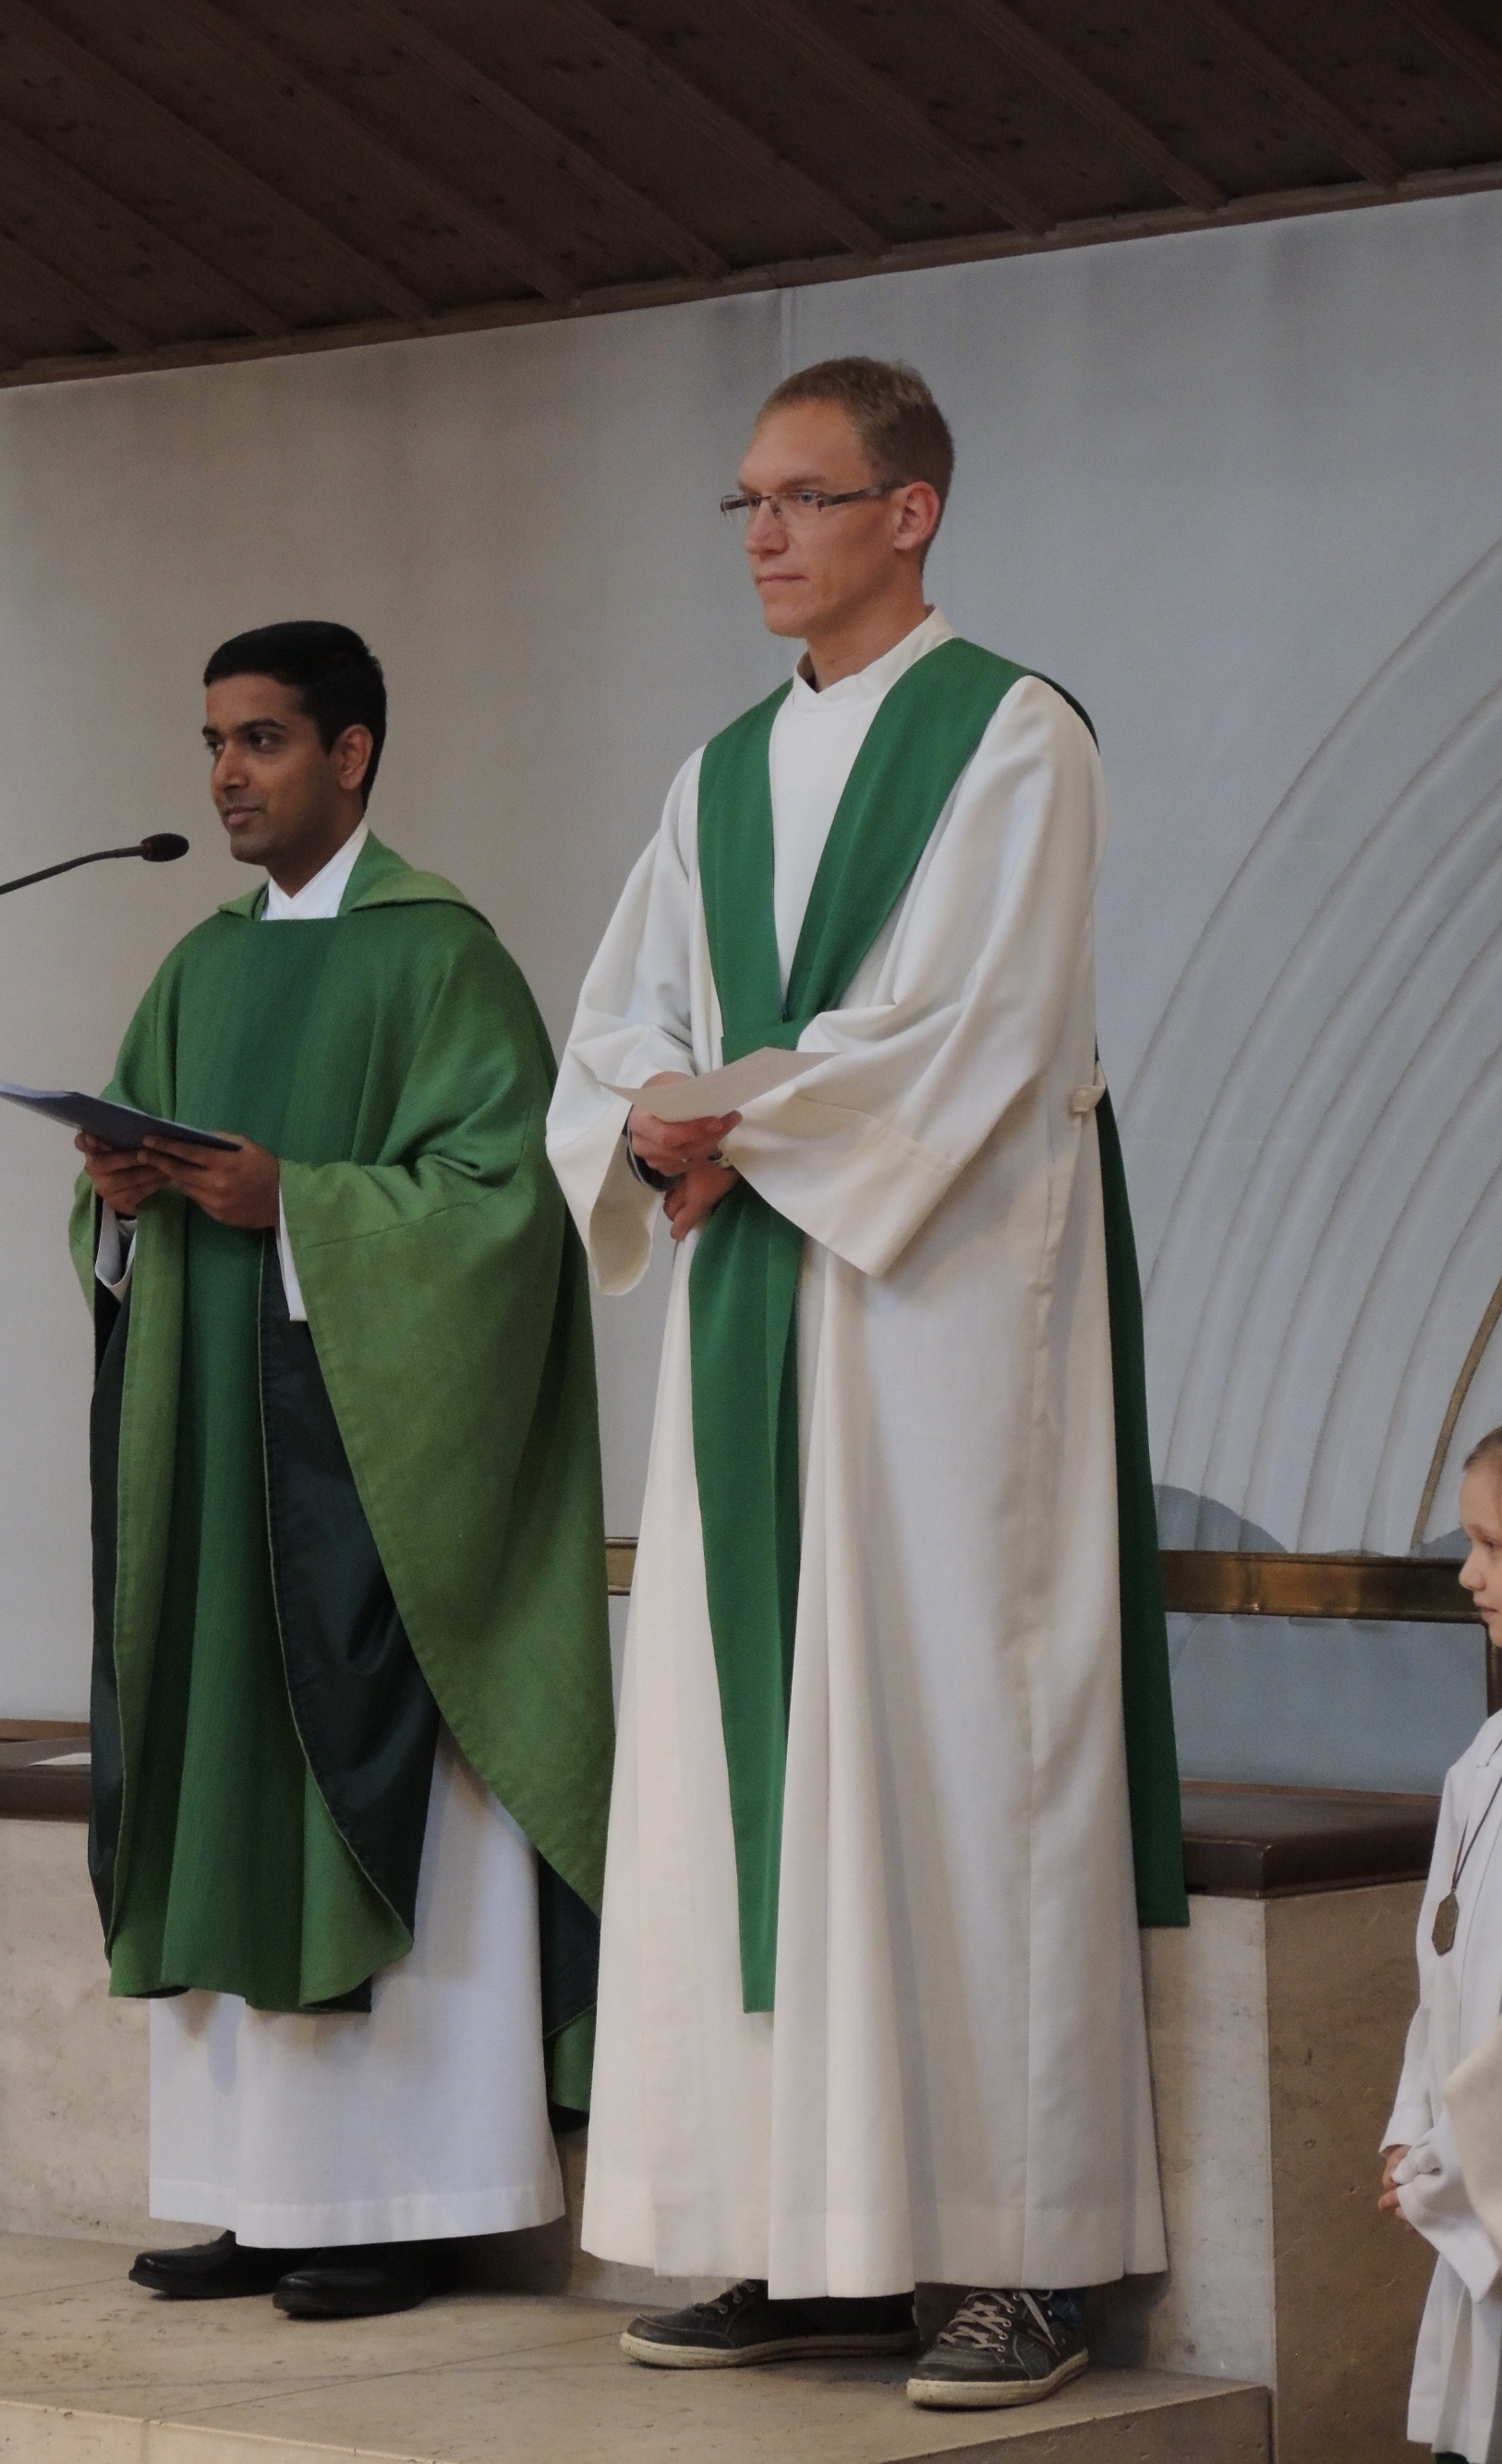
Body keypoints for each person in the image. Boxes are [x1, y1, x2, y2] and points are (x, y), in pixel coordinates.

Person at [547, 357, 1184, 2409]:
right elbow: (619, 1014)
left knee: (949, 1747)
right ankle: (803, 2236)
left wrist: (733, 1127)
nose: (759, 536)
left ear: (908, 512)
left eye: (801, 499)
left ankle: (1023, 2251)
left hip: (934, 1335)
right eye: (740, 501)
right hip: (755, 1309)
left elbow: (971, 1030)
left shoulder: (1012, 732)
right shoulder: (716, 772)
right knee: (762, 1767)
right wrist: (650, 1117)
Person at [70, 621, 613, 2318]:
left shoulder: (441, 957)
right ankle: (260, 2193)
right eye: (213, 742)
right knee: (233, 1778)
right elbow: (124, 1185)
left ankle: (410, 2198)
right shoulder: (198, 967)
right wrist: (125, 1201)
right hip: (224, 1472)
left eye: (263, 741)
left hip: (378, 1479)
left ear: (354, 753)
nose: (226, 775)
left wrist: (297, 1201)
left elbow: (507, 1207)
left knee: (382, 1776)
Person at [1382, 1426, 1502, 2464]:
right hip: (1465, 2185)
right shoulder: (1482, 1756)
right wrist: (1409, 2123)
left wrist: (1447, 2165)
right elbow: (1445, 1973)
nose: (1468, 1575)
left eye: (1494, 1546)